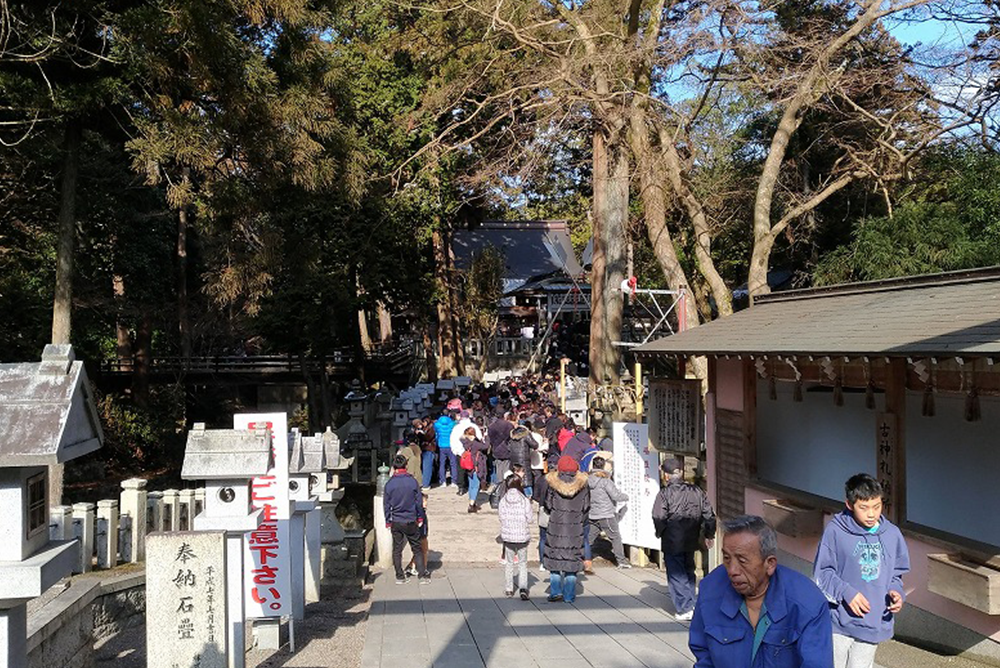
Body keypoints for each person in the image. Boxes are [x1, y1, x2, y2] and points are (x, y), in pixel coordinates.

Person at [689, 515, 834, 668]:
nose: (732, 570)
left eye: (742, 560)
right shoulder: (710, 591)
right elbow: (703, 654)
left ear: (769, 564)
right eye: (726, 558)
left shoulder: (808, 602)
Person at [814, 474, 910, 668]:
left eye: (876, 506)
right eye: (864, 508)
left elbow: (895, 575)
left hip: (872, 622)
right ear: (849, 505)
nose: (871, 514)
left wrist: (897, 593)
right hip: (838, 622)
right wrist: (846, 593)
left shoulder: (892, 535)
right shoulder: (835, 531)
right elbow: (822, 574)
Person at [652, 457, 717, 621]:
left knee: (676, 573)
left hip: (672, 539)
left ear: (666, 476)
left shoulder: (665, 494)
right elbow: (709, 514)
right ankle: (691, 603)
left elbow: (658, 516)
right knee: (688, 570)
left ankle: (685, 607)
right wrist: (709, 534)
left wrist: (661, 532)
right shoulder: (696, 491)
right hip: (692, 537)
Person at [542, 455, 590, 603]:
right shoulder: (583, 485)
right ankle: (569, 595)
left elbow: (548, 505)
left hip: (556, 526)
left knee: (555, 558)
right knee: (572, 559)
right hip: (574, 527)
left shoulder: (552, 484)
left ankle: (555, 591)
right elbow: (586, 507)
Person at [383, 454, 430, 584]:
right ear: (406, 466)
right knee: (416, 548)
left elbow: (386, 505)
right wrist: (420, 517)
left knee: (397, 549)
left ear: (393, 467)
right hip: (411, 519)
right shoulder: (412, 482)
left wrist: (388, 520)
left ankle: (399, 576)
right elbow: (418, 502)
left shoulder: (389, 484)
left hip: (396, 520)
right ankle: (422, 575)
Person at [587, 456, 631, 569]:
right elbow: (616, 496)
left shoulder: (587, 480)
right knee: (615, 537)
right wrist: (627, 496)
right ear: (604, 466)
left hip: (592, 514)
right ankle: (621, 561)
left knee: (589, 539)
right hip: (606, 514)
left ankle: (582, 558)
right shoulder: (605, 481)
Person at [498, 475, 533, 600]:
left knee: (509, 563)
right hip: (522, 535)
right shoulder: (524, 500)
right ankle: (523, 588)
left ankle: (509, 589)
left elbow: (501, 517)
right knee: (523, 563)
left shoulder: (503, 500)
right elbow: (530, 518)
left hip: (508, 536)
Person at [450, 410, 481, 495]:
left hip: (460, 452)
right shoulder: (473, 426)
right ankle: (473, 486)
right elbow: (479, 437)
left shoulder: (456, 428)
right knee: (473, 468)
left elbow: (453, 440)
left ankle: (461, 488)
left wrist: (455, 451)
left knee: (460, 469)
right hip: (473, 451)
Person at [462, 426, 489, 513]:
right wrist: (486, 437)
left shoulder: (465, 442)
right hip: (476, 466)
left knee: (471, 485)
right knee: (476, 486)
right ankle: (471, 504)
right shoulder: (474, 443)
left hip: (469, 466)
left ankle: (472, 502)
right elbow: (486, 446)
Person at [405, 490, 430, 577]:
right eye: (424, 501)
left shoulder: (419, 511)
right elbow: (421, 525)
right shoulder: (420, 512)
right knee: (423, 551)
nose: (426, 503)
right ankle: (423, 568)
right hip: (421, 534)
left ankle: (412, 566)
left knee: (419, 551)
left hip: (421, 534)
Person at [507, 422, 537, 494]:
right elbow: (535, 445)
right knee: (526, 479)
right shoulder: (526, 435)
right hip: (524, 459)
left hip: (513, 459)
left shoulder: (512, 435)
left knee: (517, 477)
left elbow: (508, 447)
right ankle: (528, 496)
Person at [488, 410, 514, 484]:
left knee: (499, 467)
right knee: (506, 467)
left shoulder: (491, 426)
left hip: (496, 449)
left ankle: (500, 484)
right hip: (506, 448)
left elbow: (490, 439)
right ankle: (506, 483)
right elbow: (511, 437)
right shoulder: (509, 425)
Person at [434, 409, 457, 487]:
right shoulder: (452, 423)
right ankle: (454, 481)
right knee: (453, 463)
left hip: (441, 445)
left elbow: (436, 434)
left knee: (442, 464)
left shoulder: (437, 424)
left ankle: (443, 481)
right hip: (451, 445)